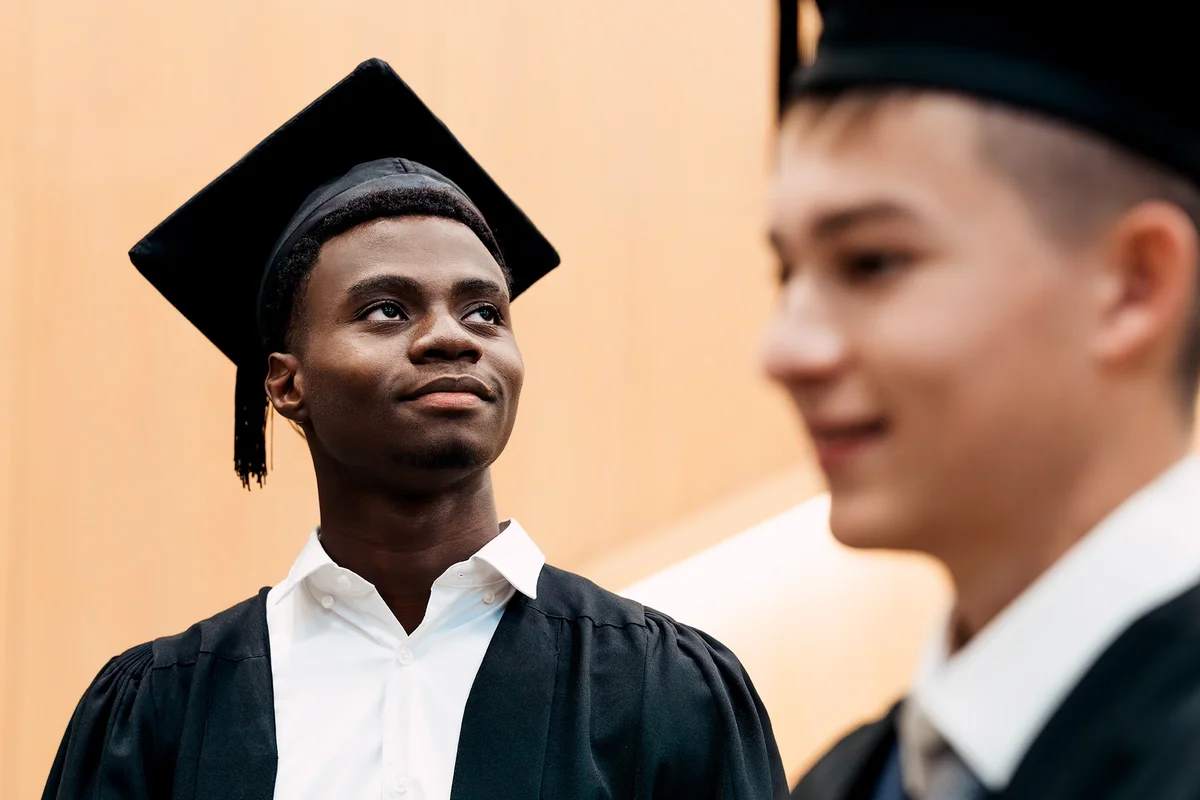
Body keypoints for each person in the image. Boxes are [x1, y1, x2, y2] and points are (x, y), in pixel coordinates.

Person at [42, 58, 787, 800]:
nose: (452, 337)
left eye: (484, 312)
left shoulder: (667, 691)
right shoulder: (161, 717)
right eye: (388, 310)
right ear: (287, 384)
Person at [767, 2, 1200, 798]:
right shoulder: (850, 780)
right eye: (788, 272)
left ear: (1133, 286)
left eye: (871, 263)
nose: (783, 352)